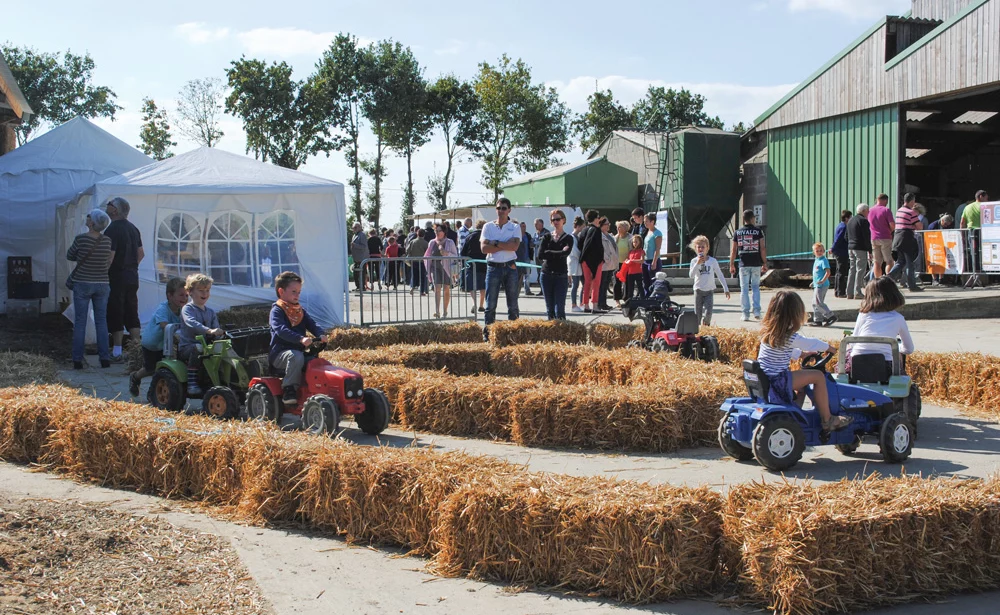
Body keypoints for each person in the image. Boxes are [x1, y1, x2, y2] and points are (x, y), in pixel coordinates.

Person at [757, 290, 853, 432]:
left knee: (801, 387)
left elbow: (782, 350)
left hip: (768, 378)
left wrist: (802, 354)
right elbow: (810, 343)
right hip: (778, 380)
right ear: (794, 314)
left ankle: (794, 417)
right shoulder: (789, 336)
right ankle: (828, 419)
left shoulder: (769, 332)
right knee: (818, 377)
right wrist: (829, 347)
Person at [269, 271, 328, 406]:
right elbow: (281, 330)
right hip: (280, 354)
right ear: (281, 291)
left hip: (298, 352)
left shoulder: (299, 310)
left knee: (316, 361)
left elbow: (312, 324)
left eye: (299, 292)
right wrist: (300, 339)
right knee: (296, 357)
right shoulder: (277, 311)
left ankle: (316, 390)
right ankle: (289, 389)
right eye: (294, 291)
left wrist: (321, 334)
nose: (297, 295)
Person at [67, 208, 114, 370]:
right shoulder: (107, 241)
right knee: (102, 321)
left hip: (82, 283)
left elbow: (70, 255)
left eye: (88, 217)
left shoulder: (81, 239)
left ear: (92, 223)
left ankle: (77, 359)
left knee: (80, 321)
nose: (86, 219)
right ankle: (105, 359)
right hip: (102, 283)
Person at [129, 277, 188, 398]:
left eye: (187, 295)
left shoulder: (183, 310)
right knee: (150, 368)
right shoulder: (163, 309)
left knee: (164, 369)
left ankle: (154, 392)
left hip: (165, 344)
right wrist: (176, 335)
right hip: (151, 343)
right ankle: (135, 377)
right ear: (170, 296)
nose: (185, 298)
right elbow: (164, 325)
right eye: (181, 295)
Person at [103, 197, 144, 362]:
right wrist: (131, 266)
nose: (107, 205)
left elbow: (109, 257)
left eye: (110, 204)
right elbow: (141, 254)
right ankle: (136, 350)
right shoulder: (134, 228)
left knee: (116, 311)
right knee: (132, 310)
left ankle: (117, 351)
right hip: (132, 275)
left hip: (117, 276)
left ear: (115, 210)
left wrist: (103, 273)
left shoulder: (112, 229)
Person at [849, 277, 914, 369]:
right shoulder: (898, 318)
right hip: (885, 365)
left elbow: (853, 343)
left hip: (857, 364)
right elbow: (909, 349)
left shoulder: (863, 314)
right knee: (898, 357)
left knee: (849, 350)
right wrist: (896, 348)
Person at [480, 198, 521, 339]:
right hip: (493, 268)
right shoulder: (488, 227)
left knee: (513, 304)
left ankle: (514, 334)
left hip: (510, 266)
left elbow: (514, 247)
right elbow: (484, 249)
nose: (501, 211)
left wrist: (495, 243)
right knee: (490, 305)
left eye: (504, 208)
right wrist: (505, 244)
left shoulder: (515, 227)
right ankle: (488, 335)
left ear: (509, 210)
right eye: (498, 208)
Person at [178, 274, 223, 397]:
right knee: (198, 348)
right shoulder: (187, 309)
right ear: (190, 292)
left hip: (207, 346)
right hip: (188, 347)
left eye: (207, 290)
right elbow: (191, 323)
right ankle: (192, 383)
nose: (205, 293)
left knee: (224, 348)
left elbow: (216, 328)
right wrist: (209, 331)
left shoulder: (210, 312)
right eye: (201, 290)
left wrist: (219, 334)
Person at [729, 209, 766, 321]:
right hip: (756, 263)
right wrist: (765, 262)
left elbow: (734, 250)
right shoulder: (758, 231)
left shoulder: (737, 232)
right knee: (755, 287)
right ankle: (757, 312)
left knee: (744, 289)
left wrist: (731, 264)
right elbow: (762, 248)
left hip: (743, 263)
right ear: (751, 218)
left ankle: (745, 313)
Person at [538, 209, 573, 320]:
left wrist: (549, 252)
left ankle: (562, 333)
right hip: (546, 274)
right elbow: (541, 255)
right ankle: (551, 334)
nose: (556, 222)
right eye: (553, 220)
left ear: (563, 220)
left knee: (560, 309)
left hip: (561, 275)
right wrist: (559, 252)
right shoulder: (547, 237)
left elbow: (566, 253)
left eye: (558, 219)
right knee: (550, 309)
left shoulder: (568, 238)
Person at [688, 235, 730, 326]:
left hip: (709, 291)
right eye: (698, 247)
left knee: (708, 313)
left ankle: (706, 327)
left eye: (703, 247)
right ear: (695, 248)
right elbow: (691, 275)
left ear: (707, 248)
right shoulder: (694, 261)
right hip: (698, 290)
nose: (701, 249)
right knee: (697, 314)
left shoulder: (712, 261)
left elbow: (719, 274)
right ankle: (697, 331)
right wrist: (698, 264)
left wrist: (725, 288)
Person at [888, 193, 923, 292]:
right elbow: (920, 226)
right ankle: (912, 286)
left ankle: (888, 277)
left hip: (898, 238)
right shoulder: (911, 212)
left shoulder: (899, 211)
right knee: (910, 263)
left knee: (900, 261)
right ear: (912, 201)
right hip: (907, 238)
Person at [425, 223, 459, 318]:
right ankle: (437, 311)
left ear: (444, 232)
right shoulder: (432, 242)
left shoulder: (450, 242)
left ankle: (445, 310)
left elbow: (456, 256)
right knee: (437, 288)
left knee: (446, 289)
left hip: (447, 268)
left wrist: (446, 253)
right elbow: (427, 256)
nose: (437, 232)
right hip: (435, 267)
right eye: (436, 231)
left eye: (440, 230)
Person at [578, 210, 605, 313]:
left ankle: (586, 305)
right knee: (596, 283)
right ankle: (595, 305)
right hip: (595, 260)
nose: (599, 219)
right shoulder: (596, 230)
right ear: (595, 218)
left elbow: (580, 244)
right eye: (598, 217)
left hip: (584, 260)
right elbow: (597, 247)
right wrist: (600, 260)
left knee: (587, 283)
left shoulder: (584, 230)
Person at [461, 219, 488, 313]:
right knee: (483, 286)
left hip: (471, 264)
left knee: (471, 286)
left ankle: (474, 302)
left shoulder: (470, 236)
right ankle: (481, 305)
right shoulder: (487, 237)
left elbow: (463, 251)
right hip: (484, 264)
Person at [846, 203, 872, 300]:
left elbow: (846, 236)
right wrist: (870, 250)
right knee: (860, 269)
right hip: (860, 247)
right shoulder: (864, 221)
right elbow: (866, 236)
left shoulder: (850, 220)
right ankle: (857, 291)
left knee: (852, 269)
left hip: (850, 247)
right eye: (868, 211)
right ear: (864, 211)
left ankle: (849, 292)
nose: (868, 212)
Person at [867, 193, 895, 278]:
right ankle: (888, 279)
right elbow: (892, 225)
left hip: (873, 238)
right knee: (889, 261)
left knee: (877, 262)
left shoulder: (870, 210)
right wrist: (890, 231)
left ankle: (878, 280)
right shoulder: (886, 210)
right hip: (885, 237)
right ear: (885, 200)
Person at [810, 242, 837, 326]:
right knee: (814, 303)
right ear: (814, 252)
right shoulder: (816, 260)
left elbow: (828, 272)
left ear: (824, 251)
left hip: (822, 285)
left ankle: (830, 316)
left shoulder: (823, 260)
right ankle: (818, 320)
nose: (819, 252)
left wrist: (822, 280)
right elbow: (817, 273)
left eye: (821, 250)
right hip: (817, 285)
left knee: (818, 303)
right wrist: (813, 282)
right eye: (817, 251)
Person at [926, 214, 954, 287]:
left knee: (942, 262)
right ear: (942, 220)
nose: (946, 226)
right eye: (945, 224)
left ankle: (941, 279)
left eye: (947, 225)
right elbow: (928, 236)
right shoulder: (933, 226)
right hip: (932, 246)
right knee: (933, 263)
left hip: (942, 246)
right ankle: (934, 280)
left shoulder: (946, 226)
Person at [598, 217, 618, 312]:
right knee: (602, 285)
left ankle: (604, 303)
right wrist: (607, 259)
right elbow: (601, 250)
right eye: (606, 224)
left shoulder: (610, 235)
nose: (608, 225)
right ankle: (600, 303)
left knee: (606, 285)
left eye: (609, 224)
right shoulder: (599, 235)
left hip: (611, 264)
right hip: (605, 264)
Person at [642, 212, 663, 298]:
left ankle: (654, 299)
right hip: (645, 260)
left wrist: (654, 262)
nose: (645, 223)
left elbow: (657, 249)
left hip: (653, 260)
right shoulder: (647, 232)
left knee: (653, 281)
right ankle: (647, 299)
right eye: (644, 221)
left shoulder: (657, 233)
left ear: (652, 221)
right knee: (646, 282)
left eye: (647, 221)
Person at [831, 210, 851, 298]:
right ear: (847, 218)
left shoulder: (840, 225)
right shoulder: (844, 227)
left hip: (839, 251)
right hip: (841, 251)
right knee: (842, 272)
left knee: (838, 271)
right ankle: (840, 292)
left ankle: (837, 290)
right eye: (850, 217)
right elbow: (838, 239)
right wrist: (833, 248)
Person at [613, 221, 632, 307]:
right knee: (616, 282)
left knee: (627, 281)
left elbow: (632, 250)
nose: (618, 229)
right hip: (617, 263)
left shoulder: (630, 238)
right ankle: (617, 300)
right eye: (617, 227)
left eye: (620, 227)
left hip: (626, 263)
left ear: (625, 228)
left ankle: (626, 299)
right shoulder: (615, 237)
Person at [406, 225, 429, 295]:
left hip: (413, 261)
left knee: (414, 275)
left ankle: (412, 287)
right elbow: (428, 252)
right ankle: (421, 291)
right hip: (422, 262)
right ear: (424, 235)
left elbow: (407, 250)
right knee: (422, 276)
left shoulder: (412, 241)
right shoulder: (426, 243)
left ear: (417, 234)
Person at [568, 217, 585, 312]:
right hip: (574, 263)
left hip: (579, 264)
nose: (583, 229)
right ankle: (574, 305)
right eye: (582, 227)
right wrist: (583, 256)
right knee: (575, 285)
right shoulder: (571, 237)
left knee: (583, 284)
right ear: (578, 227)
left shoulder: (577, 237)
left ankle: (581, 303)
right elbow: (574, 252)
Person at [516, 220, 534, 296]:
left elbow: (531, 245)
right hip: (518, 258)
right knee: (519, 275)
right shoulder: (517, 235)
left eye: (525, 226)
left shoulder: (528, 235)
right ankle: (517, 291)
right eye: (522, 226)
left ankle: (527, 290)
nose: (524, 228)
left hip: (527, 258)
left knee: (527, 275)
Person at [350, 222, 369, 292]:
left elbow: (364, 247)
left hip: (361, 258)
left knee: (362, 273)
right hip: (356, 258)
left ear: (360, 228)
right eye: (353, 228)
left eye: (355, 227)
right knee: (355, 273)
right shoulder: (354, 235)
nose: (354, 229)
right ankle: (358, 286)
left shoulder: (362, 235)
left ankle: (362, 287)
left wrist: (355, 245)